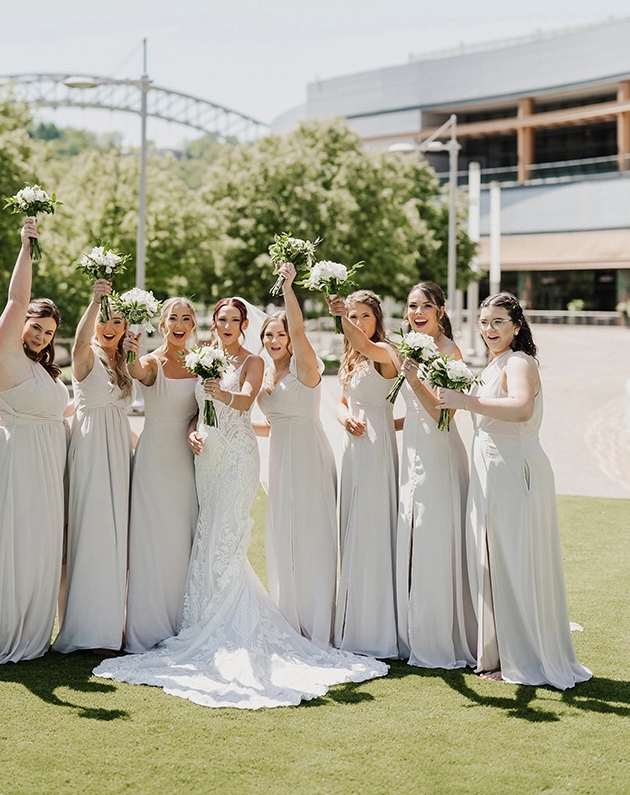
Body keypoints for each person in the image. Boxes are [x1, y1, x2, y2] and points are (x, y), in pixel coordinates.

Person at [94, 285, 387, 708]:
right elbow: (193, 405)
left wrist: (218, 391)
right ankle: (201, 616)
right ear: (212, 325)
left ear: (243, 326)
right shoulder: (203, 358)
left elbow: (246, 402)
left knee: (227, 536)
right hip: (206, 458)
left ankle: (228, 621)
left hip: (237, 458)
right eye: (220, 320)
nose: (227, 326)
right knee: (206, 532)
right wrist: (195, 426)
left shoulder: (253, 363)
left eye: (234, 320)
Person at [449, 293, 588, 689]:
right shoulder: (495, 362)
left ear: (517, 326)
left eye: (497, 322)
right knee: (494, 560)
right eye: (483, 322)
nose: (488, 329)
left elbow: (523, 408)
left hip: (516, 468)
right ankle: (501, 650)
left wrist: (465, 400)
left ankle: (525, 658)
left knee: (516, 560)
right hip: (490, 467)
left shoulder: (519, 362)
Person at [0, 219, 71, 663]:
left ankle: (34, 627)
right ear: (21, 326)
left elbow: (57, 411)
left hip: (49, 462)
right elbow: (16, 298)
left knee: (42, 544)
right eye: (36, 327)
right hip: (15, 458)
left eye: (48, 333)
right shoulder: (6, 353)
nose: (41, 336)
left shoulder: (44, 370)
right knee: (11, 541)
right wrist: (27, 244)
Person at [254, 263, 339, 647]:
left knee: (311, 533)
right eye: (268, 334)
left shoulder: (305, 368)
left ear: (291, 338)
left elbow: (301, 329)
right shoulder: (265, 374)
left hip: (308, 454)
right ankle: (290, 614)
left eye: (280, 334)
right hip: (281, 458)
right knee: (284, 531)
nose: (274, 340)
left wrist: (288, 287)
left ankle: (318, 617)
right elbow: (272, 425)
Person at [394, 281, 475, 670]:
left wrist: (413, 379)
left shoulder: (450, 353)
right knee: (413, 537)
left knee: (432, 540)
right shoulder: (408, 348)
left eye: (425, 305)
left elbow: (444, 415)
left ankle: (437, 635)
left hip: (438, 454)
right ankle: (411, 629)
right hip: (411, 452)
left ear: (440, 310)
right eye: (412, 306)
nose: (417, 312)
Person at [54, 276, 136, 653]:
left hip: (118, 453)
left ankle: (110, 624)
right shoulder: (86, 356)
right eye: (105, 321)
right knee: (90, 531)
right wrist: (95, 301)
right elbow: (77, 341)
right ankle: (84, 627)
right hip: (89, 451)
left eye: (117, 321)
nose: (109, 327)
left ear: (125, 328)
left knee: (116, 534)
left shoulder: (123, 363)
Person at [329, 290, 403, 659]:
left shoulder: (386, 353)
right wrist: (345, 419)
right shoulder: (352, 357)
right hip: (353, 447)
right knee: (353, 527)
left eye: (364, 316)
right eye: (352, 316)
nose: (357, 324)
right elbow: (341, 402)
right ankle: (351, 620)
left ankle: (375, 628)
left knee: (373, 528)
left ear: (377, 320)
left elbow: (358, 340)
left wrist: (340, 316)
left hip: (376, 447)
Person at [124, 296, 200, 652]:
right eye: (173, 317)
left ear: (193, 324)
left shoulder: (203, 362)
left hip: (188, 460)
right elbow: (138, 373)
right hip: (155, 459)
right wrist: (130, 352)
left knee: (182, 537)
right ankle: (148, 626)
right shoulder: (152, 361)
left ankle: (184, 620)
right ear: (163, 324)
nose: (180, 323)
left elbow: (206, 406)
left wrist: (196, 427)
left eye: (186, 317)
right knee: (152, 540)